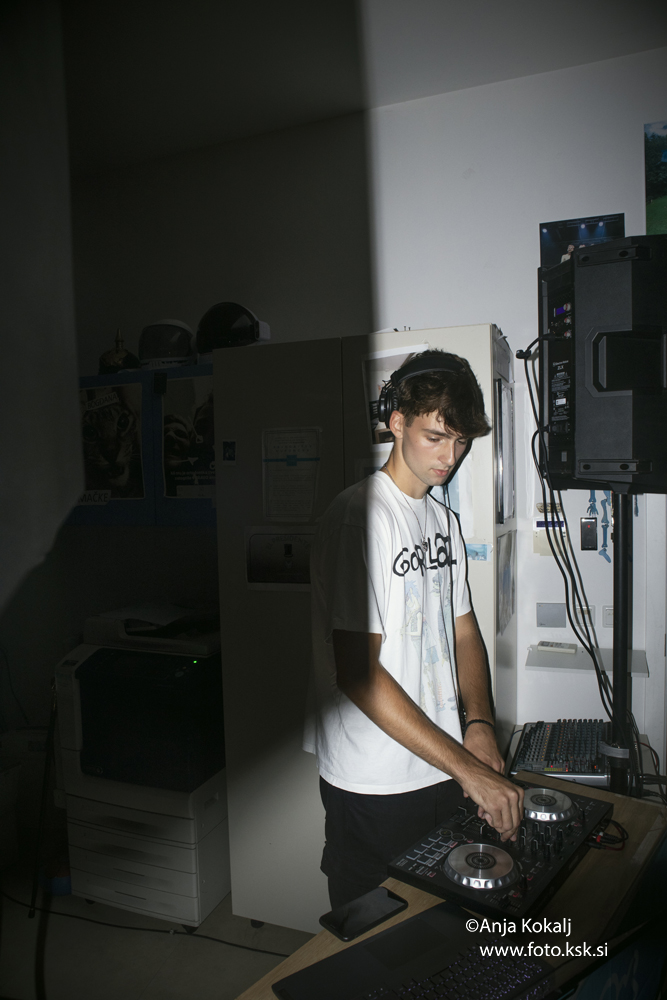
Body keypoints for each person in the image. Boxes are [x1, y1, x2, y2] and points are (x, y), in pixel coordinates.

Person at [304, 349, 524, 908]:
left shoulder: (442, 520)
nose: (450, 457)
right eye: (436, 437)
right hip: (375, 779)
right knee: (373, 932)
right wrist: (469, 770)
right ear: (396, 422)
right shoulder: (360, 519)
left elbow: (464, 631)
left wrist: (479, 724)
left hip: (439, 762)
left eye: (461, 442)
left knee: (438, 918)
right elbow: (357, 674)